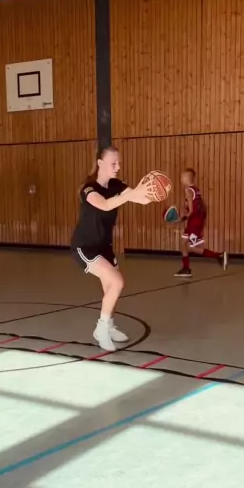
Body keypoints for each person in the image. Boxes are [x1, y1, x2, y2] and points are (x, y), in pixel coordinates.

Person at [71, 145, 152, 351]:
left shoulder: (116, 185)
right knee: (117, 282)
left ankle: (109, 324)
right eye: (113, 163)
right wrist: (132, 194)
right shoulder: (88, 188)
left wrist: (151, 192)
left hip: (104, 246)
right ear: (100, 163)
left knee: (110, 288)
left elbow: (141, 199)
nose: (118, 167)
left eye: (119, 163)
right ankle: (101, 329)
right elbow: (105, 205)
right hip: (85, 246)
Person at [175, 168, 228, 278]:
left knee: (193, 248)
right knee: (183, 243)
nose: (180, 179)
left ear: (186, 178)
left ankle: (218, 256)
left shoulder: (188, 191)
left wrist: (181, 219)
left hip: (194, 223)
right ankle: (186, 268)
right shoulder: (196, 190)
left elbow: (191, 211)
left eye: (182, 177)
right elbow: (202, 207)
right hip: (195, 222)